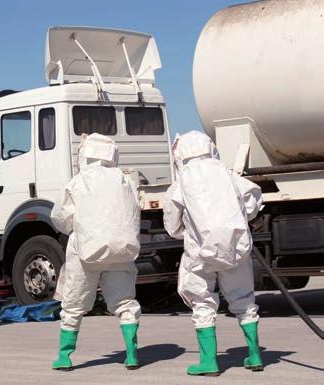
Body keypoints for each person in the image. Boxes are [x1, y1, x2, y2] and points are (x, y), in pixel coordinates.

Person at [163, 131, 263, 376]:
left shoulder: (181, 183)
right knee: (244, 299)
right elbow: (253, 198)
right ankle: (255, 355)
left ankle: (209, 362)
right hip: (235, 247)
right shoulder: (227, 174)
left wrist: (189, 233)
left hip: (200, 253)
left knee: (202, 301)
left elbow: (172, 226)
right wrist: (239, 220)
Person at [51, 133, 141, 371]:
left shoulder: (79, 181)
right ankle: (132, 354)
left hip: (86, 251)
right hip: (122, 250)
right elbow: (134, 214)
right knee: (124, 301)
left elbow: (61, 219)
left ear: (85, 154)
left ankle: (65, 356)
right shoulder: (125, 181)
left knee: (73, 303)